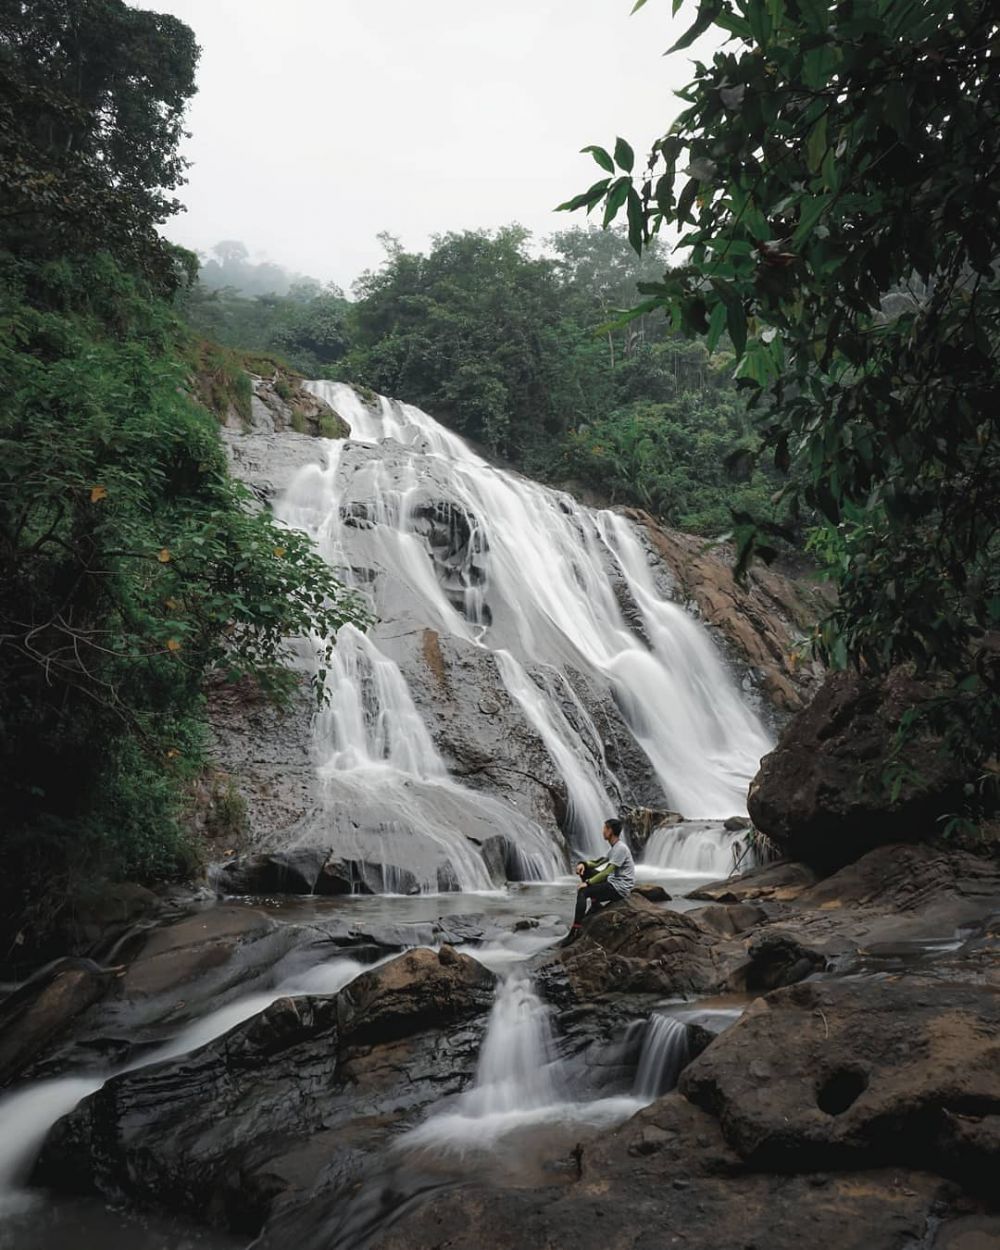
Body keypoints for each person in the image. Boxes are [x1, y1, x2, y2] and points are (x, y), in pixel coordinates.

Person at [560, 818, 635, 946]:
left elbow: (607, 871)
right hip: (613, 882)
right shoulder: (615, 847)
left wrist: (588, 883)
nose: (602, 831)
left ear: (610, 831)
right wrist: (582, 864)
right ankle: (595, 904)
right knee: (587, 870)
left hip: (619, 888)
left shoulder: (620, 849)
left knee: (583, 892)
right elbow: (598, 862)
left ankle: (575, 929)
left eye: (605, 828)